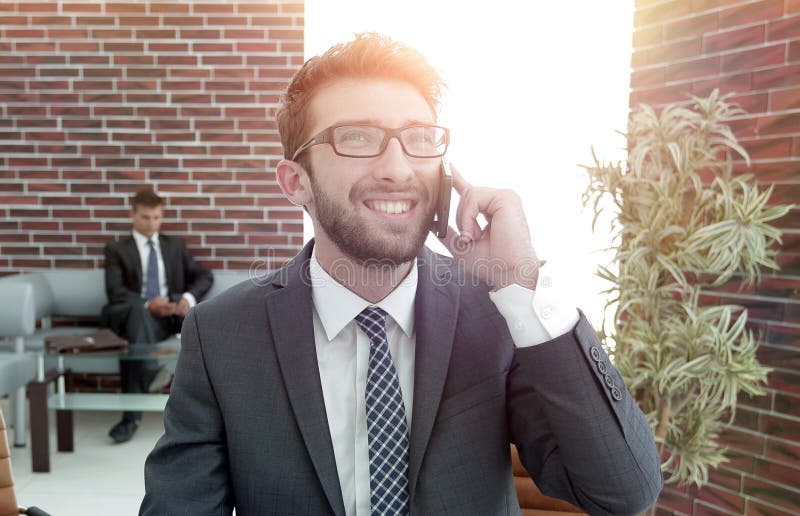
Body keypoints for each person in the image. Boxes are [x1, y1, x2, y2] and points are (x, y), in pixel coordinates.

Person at [141, 33, 663, 515]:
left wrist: (519, 284)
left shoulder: (497, 313)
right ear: (295, 182)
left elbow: (622, 491)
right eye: (358, 138)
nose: (397, 168)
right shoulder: (221, 335)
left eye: (418, 138)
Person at [102, 189, 213, 443]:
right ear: (132, 215)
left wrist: (187, 299)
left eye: (156, 217)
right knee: (137, 321)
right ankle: (150, 376)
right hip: (133, 316)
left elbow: (204, 276)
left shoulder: (174, 246)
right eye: (145, 217)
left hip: (170, 318)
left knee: (140, 333)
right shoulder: (116, 250)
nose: (151, 223)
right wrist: (148, 304)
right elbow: (115, 291)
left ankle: (131, 419)